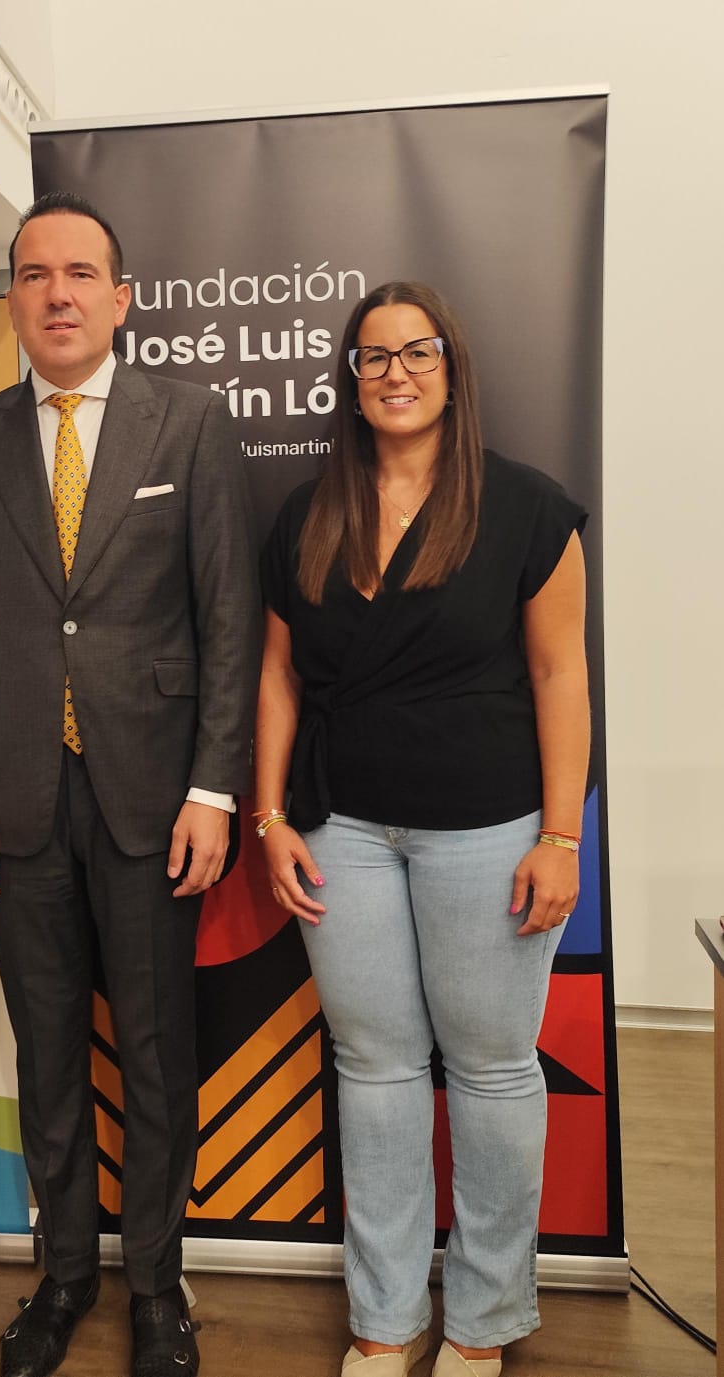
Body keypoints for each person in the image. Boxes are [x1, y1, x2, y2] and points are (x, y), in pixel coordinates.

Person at [0, 192, 261, 1377]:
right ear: (12, 299)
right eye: (32, 275)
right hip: (12, 802)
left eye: (79, 274)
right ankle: (65, 1276)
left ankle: (157, 1286)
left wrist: (215, 791)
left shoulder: (189, 424)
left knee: (159, 1053)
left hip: (156, 799)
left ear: (121, 298)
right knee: (47, 1052)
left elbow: (229, 620)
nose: (56, 294)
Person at [255, 282, 589, 1377]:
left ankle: (484, 1324)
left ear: (452, 370)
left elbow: (559, 675)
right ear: (348, 382)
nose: (393, 372)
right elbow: (275, 677)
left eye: (416, 352)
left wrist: (560, 837)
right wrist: (267, 817)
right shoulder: (306, 513)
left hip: (490, 830)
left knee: (491, 1071)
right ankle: (383, 1319)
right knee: (377, 1067)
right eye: (371, 357)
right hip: (338, 827)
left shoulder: (528, 508)